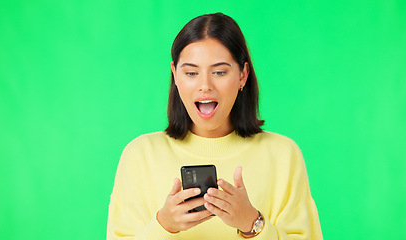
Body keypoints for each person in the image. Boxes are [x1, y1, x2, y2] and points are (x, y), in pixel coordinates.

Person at [106, 13, 323, 240]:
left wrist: (253, 223)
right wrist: (163, 225)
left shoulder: (282, 154)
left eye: (219, 72)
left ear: (242, 75)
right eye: (191, 73)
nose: (205, 86)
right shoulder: (140, 155)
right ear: (176, 76)